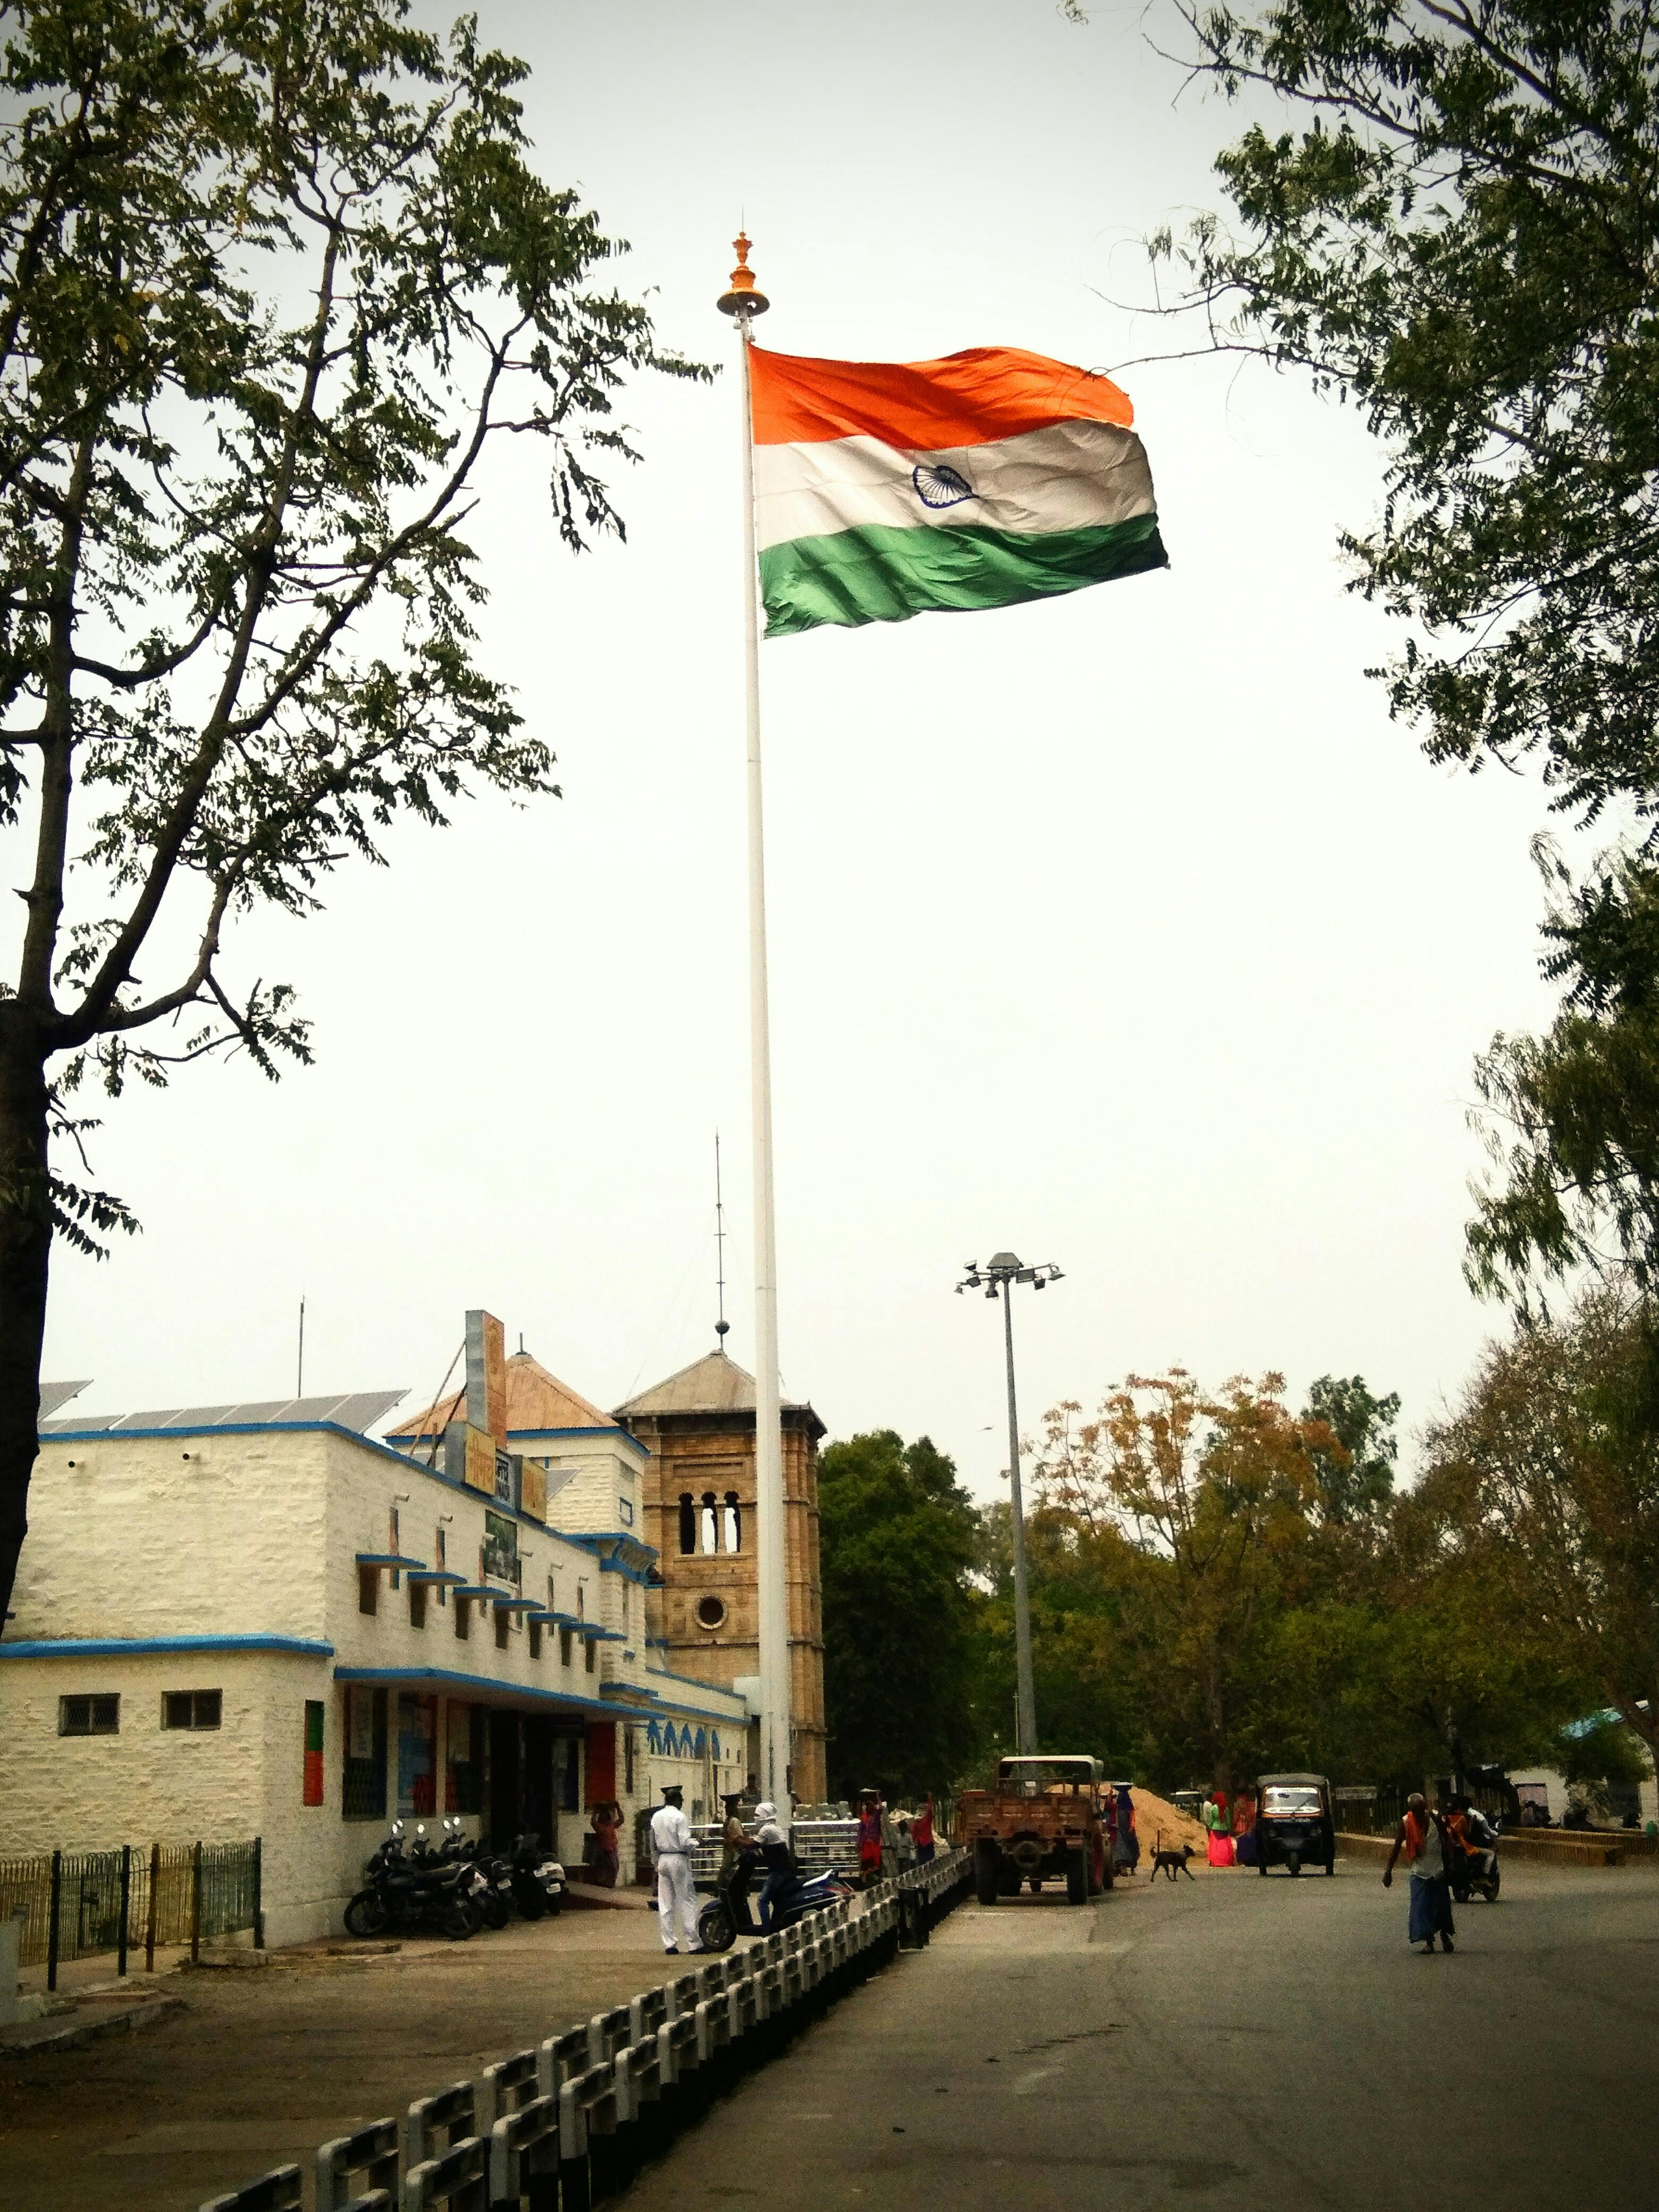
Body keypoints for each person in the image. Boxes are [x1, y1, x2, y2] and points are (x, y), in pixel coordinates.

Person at [1383, 1792, 1455, 1953]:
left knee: (1442, 1907)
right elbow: (1396, 1847)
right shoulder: (1406, 1823)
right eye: (1416, 1811)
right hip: (1419, 1872)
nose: (1419, 1814)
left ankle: (1445, 1936)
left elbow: (1447, 1840)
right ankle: (1429, 1942)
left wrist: (1451, 1862)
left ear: (1425, 1808)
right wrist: (1388, 1871)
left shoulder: (1437, 1819)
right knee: (1421, 1908)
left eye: (1421, 1810)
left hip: (1438, 1870)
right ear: (1411, 1811)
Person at [650, 1783, 703, 1956]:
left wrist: (655, 1861)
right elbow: (684, 1843)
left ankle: (669, 1944)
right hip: (678, 1858)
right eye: (681, 1799)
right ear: (677, 1800)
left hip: (663, 1859)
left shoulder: (656, 1817)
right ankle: (694, 1943)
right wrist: (696, 1843)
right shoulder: (680, 1817)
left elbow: (652, 1841)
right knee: (687, 1899)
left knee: (665, 1903)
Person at [753, 1799, 794, 1932]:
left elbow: (754, 1844)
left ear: (764, 1816)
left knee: (763, 1901)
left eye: (757, 1815)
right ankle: (775, 1925)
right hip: (785, 1870)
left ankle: (767, 1931)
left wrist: (737, 1841)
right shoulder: (775, 1828)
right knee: (775, 1900)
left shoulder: (767, 1829)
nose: (755, 1818)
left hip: (779, 1872)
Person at [589, 1799, 620, 1887]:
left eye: (606, 1815)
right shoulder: (599, 1826)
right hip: (604, 1851)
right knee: (607, 1869)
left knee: (615, 1868)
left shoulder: (611, 1825)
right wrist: (595, 1812)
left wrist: (618, 1808)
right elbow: (593, 1822)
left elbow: (621, 1820)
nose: (605, 1817)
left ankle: (610, 1884)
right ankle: (605, 1884)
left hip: (612, 1849)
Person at [856, 1790, 884, 1886]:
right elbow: (861, 1832)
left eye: (870, 1806)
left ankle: (875, 1880)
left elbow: (881, 1809)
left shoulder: (875, 1816)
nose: (869, 1808)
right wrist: (859, 1844)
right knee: (865, 1865)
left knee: (875, 1864)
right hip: (866, 1845)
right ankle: (866, 1882)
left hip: (874, 1844)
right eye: (867, 1807)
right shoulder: (864, 1818)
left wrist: (877, 1796)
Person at [1204, 1790, 1236, 1867]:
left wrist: (1211, 1827)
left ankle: (1215, 1861)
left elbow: (1211, 1821)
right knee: (1226, 1848)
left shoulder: (1213, 1809)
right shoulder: (1226, 1809)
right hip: (1224, 1830)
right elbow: (1228, 1821)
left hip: (1215, 1830)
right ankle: (1227, 1861)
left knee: (1215, 1848)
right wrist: (1228, 1829)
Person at [1233, 1789, 1259, 1869]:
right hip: (1248, 1828)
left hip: (1242, 1828)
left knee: (1242, 1843)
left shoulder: (1238, 1805)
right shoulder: (1251, 1805)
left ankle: (1242, 1860)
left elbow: (1236, 1819)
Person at [912, 1794, 936, 1866]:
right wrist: (930, 1800)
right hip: (928, 1842)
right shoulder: (927, 1819)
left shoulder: (917, 1821)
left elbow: (914, 1833)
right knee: (930, 1863)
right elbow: (930, 1811)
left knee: (922, 1863)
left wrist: (915, 1842)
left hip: (921, 1843)